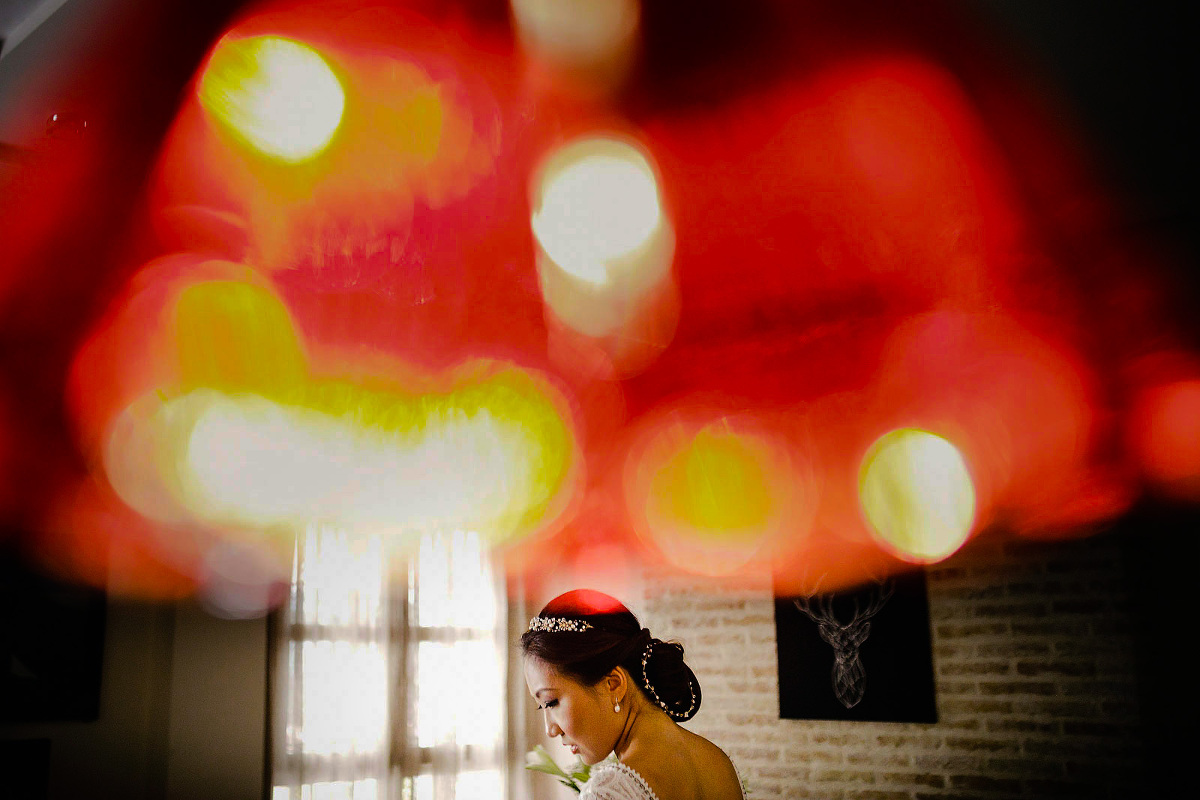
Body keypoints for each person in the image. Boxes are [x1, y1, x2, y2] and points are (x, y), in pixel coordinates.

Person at [521, 589, 746, 800]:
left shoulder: (609, 792)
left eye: (551, 702)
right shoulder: (718, 761)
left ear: (613, 684)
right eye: (542, 706)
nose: (550, 729)